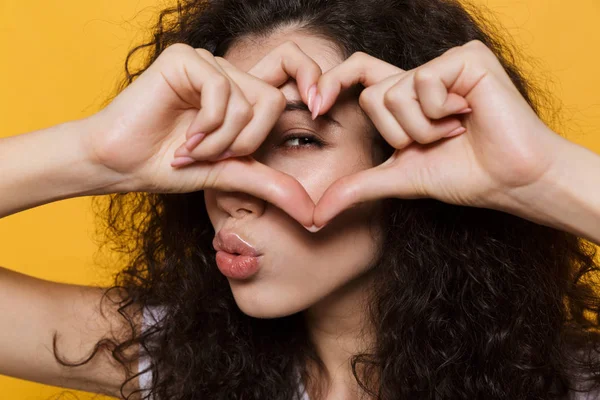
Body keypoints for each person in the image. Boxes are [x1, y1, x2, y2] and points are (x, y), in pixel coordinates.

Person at [1, 0, 600, 398]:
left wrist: (537, 176)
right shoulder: (174, 354)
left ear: (411, 152)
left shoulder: (569, 383)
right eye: (223, 141)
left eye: (297, 139)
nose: (232, 186)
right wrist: (96, 153)